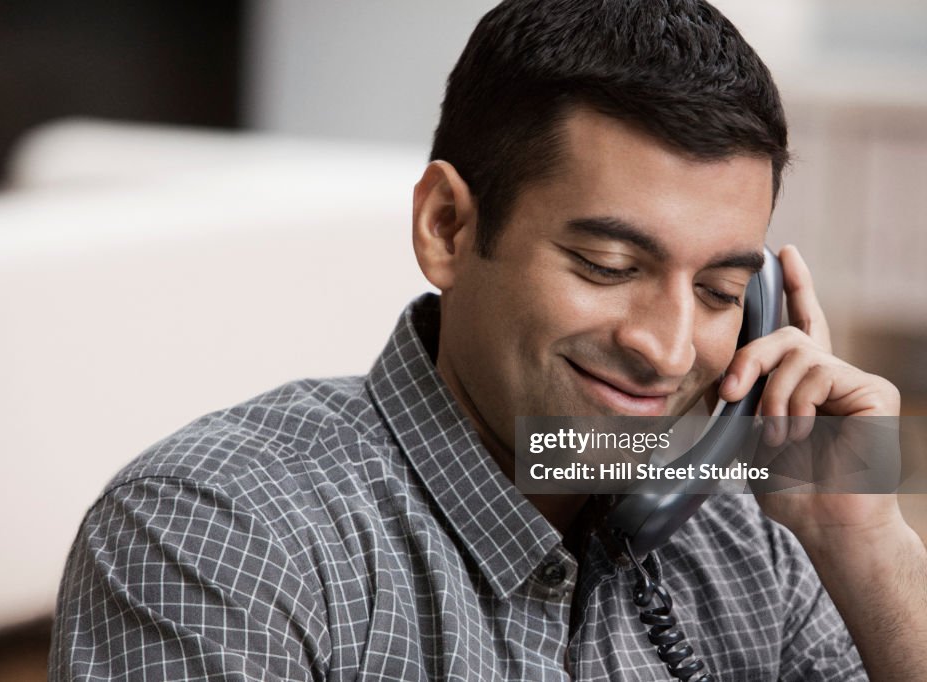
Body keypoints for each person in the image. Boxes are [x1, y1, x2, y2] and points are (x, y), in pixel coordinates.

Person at [49, 1, 926, 679]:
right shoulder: (219, 536)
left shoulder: (758, 547)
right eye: (607, 264)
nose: (667, 349)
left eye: (720, 291)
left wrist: (864, 543)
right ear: (447, 227)